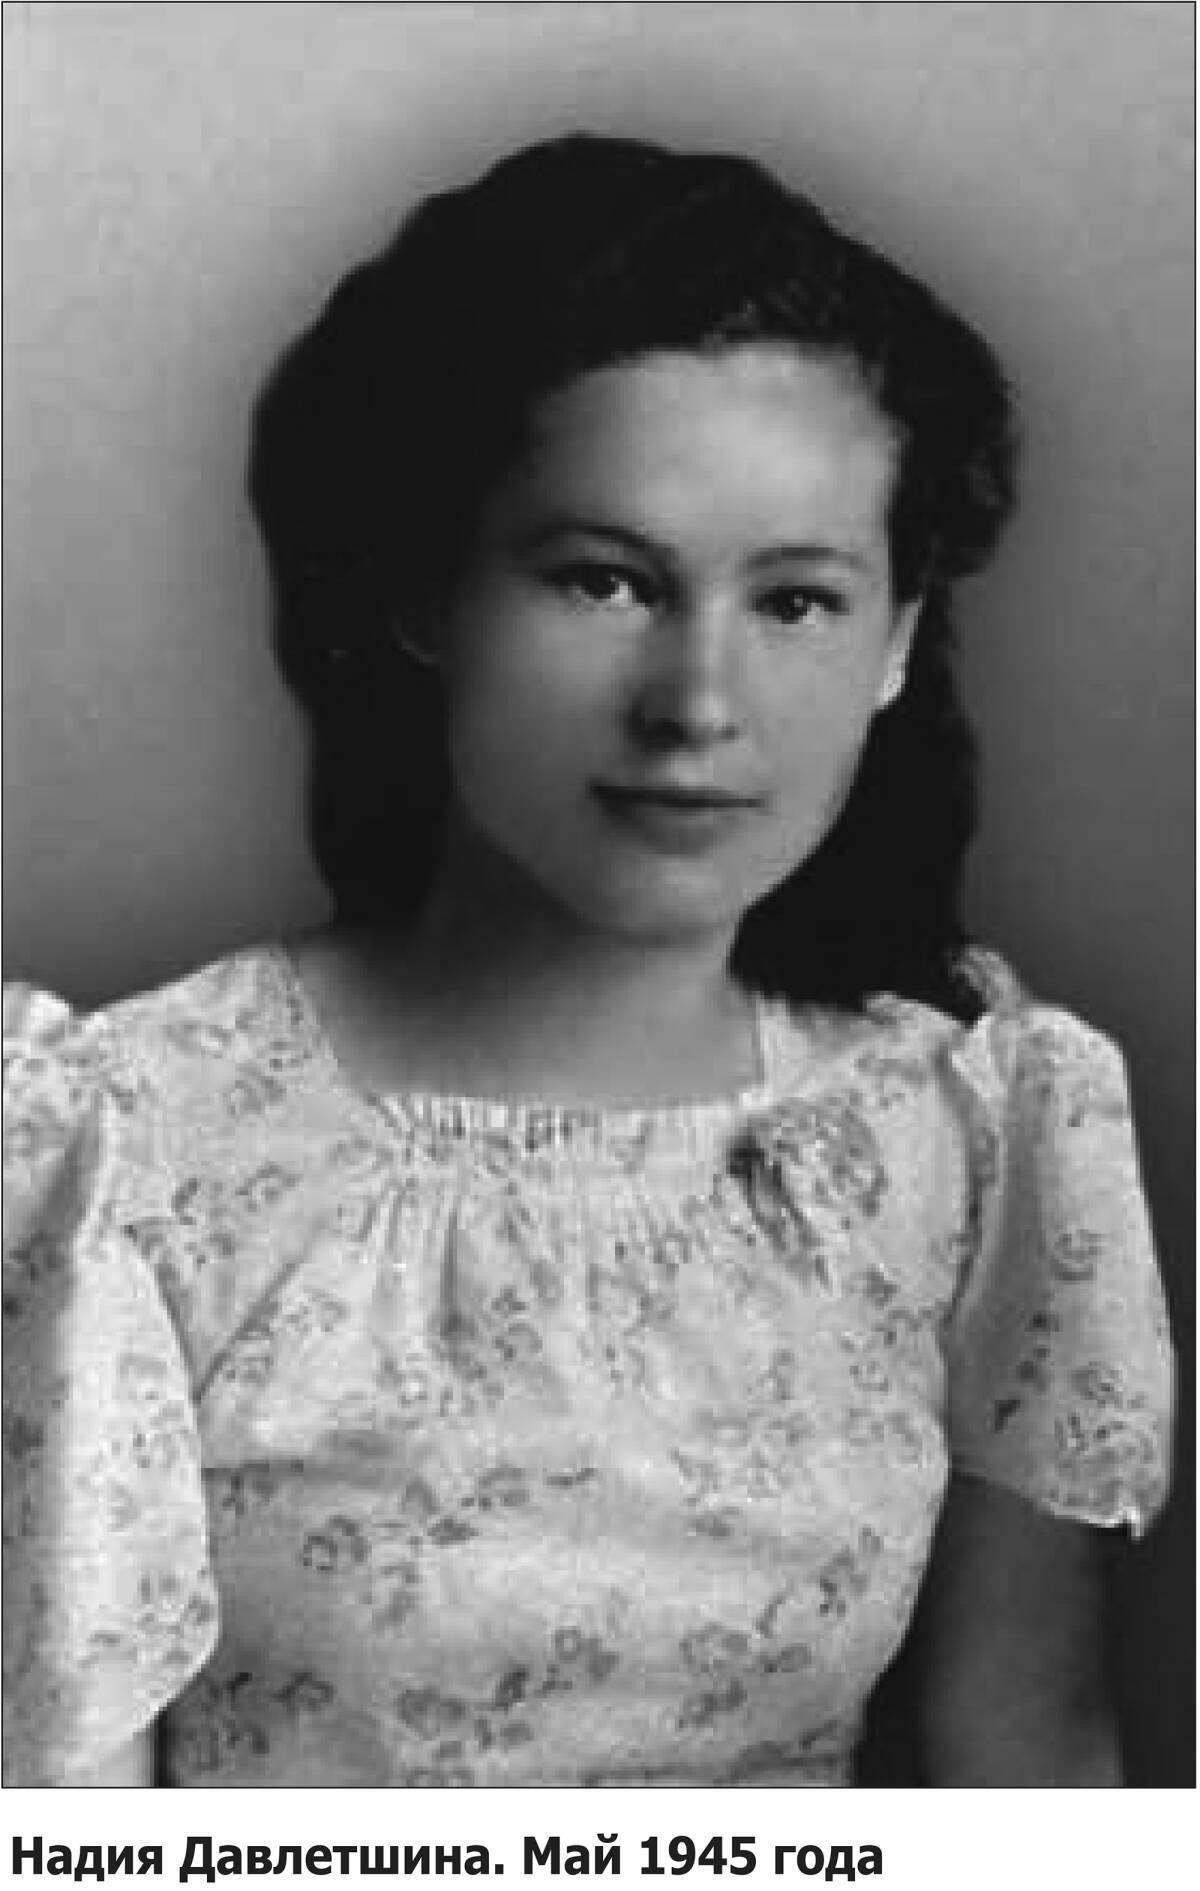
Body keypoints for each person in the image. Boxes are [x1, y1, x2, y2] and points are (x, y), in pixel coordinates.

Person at [2, 132, 1173, 1789]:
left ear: (898, 642)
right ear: (424, 591)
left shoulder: (971, 1134)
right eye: (605, 581)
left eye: (797, 603)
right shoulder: (124, 1144)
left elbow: (1028, 1758)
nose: (698, 704)